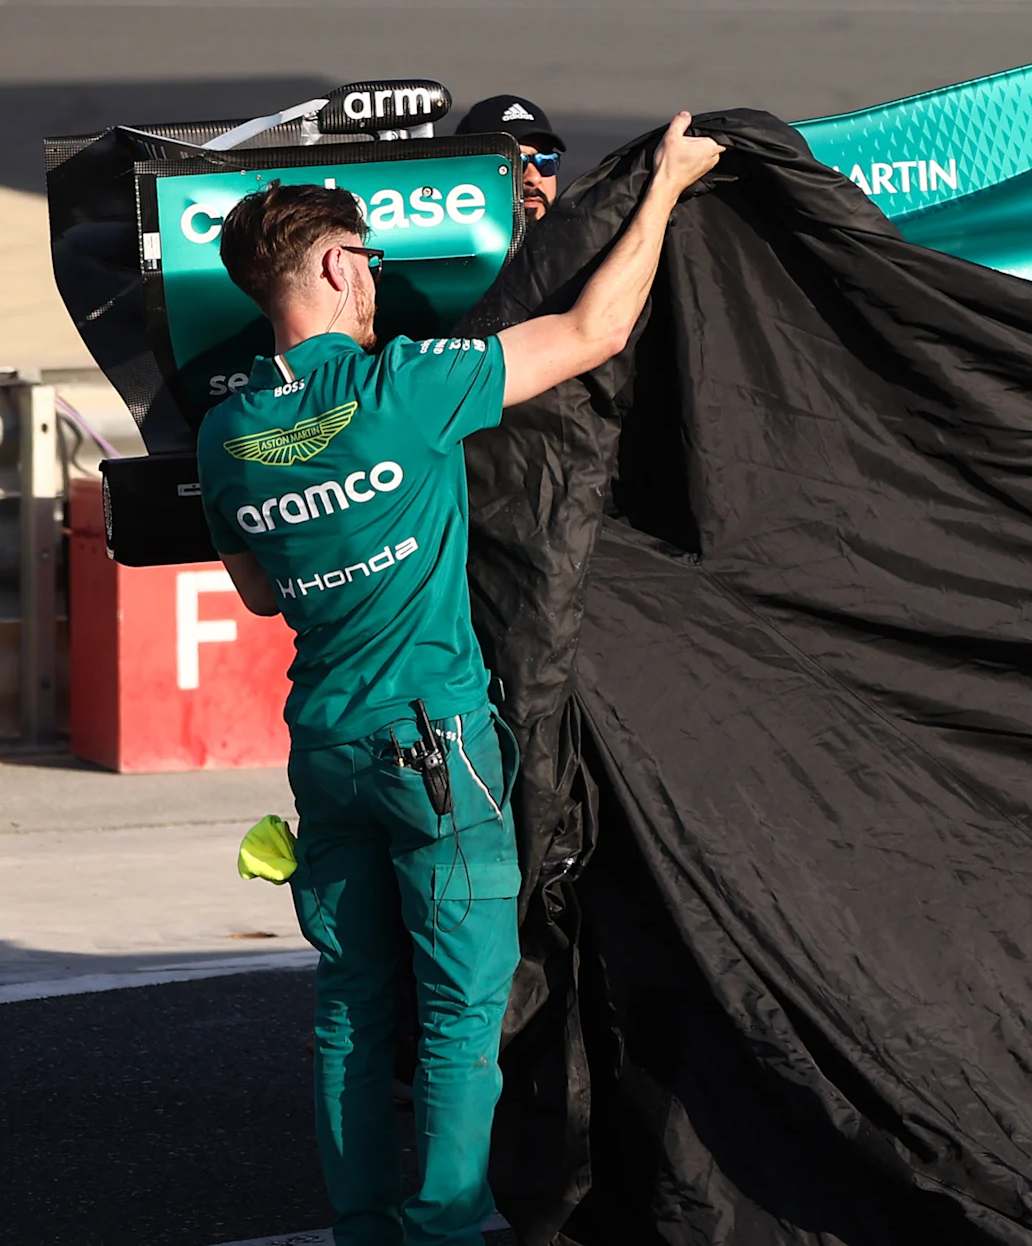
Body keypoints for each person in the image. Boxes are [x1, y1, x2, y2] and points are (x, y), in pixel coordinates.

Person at [198, 115, 724, 1246]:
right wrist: (668, 186)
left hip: (325, 748)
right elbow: (591, 330)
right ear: (338, 265)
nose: (376, 287)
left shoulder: (228, 430)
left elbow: (251, 590)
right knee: (458, 1013)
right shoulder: (402, 387)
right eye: (370, 265)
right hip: (434, 749)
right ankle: (443, 1232)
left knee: (350, 1012)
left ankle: (365, 1228)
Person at [456, 94, 566, 225]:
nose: (534, 178)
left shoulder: (581, 240)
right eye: (514, 163)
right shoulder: (442, 241)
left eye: (546, 161)